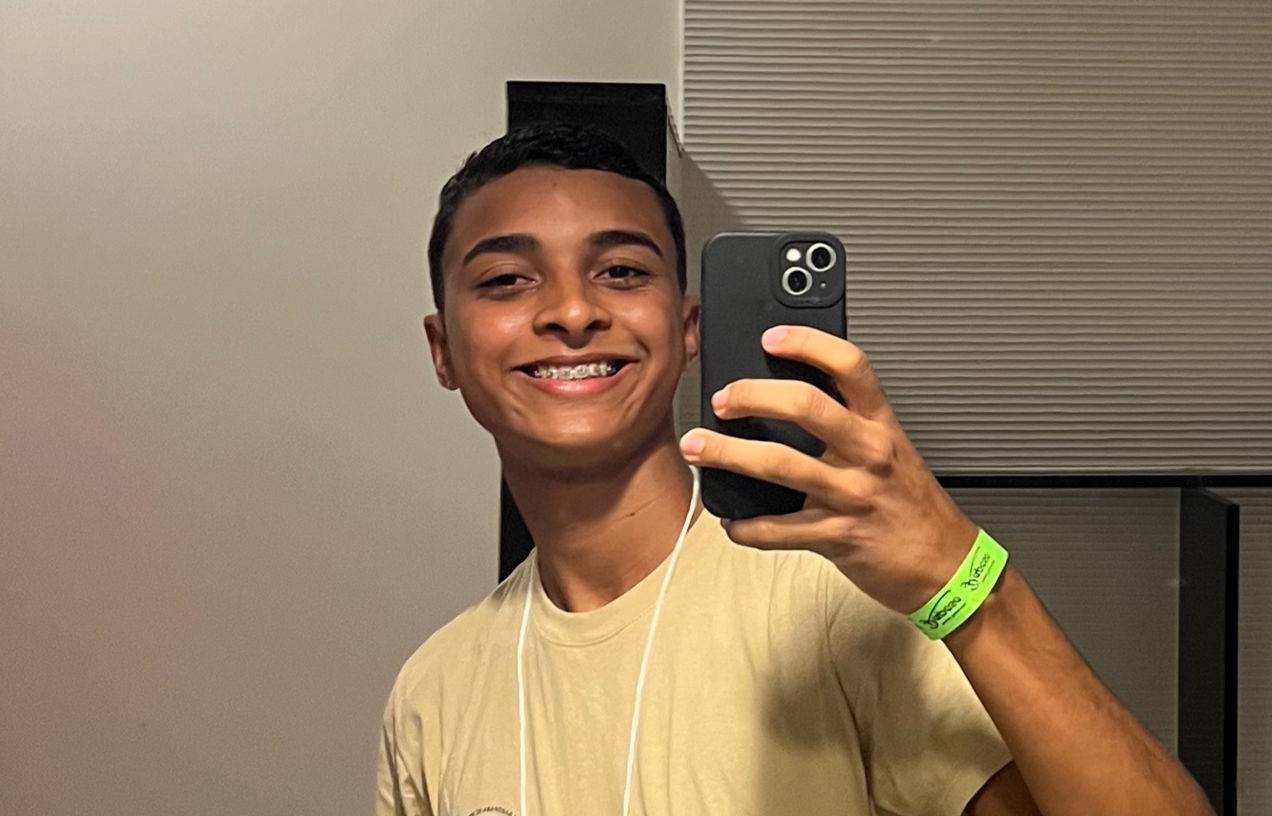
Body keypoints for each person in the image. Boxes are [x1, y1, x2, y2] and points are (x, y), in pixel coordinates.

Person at [376, 123, 1212, 816]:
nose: (571, 310)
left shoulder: (831, 598)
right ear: (444, 350)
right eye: (506, 280)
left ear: (688, 328)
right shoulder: (434, 692)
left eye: (622, 271)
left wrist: (961, 576)